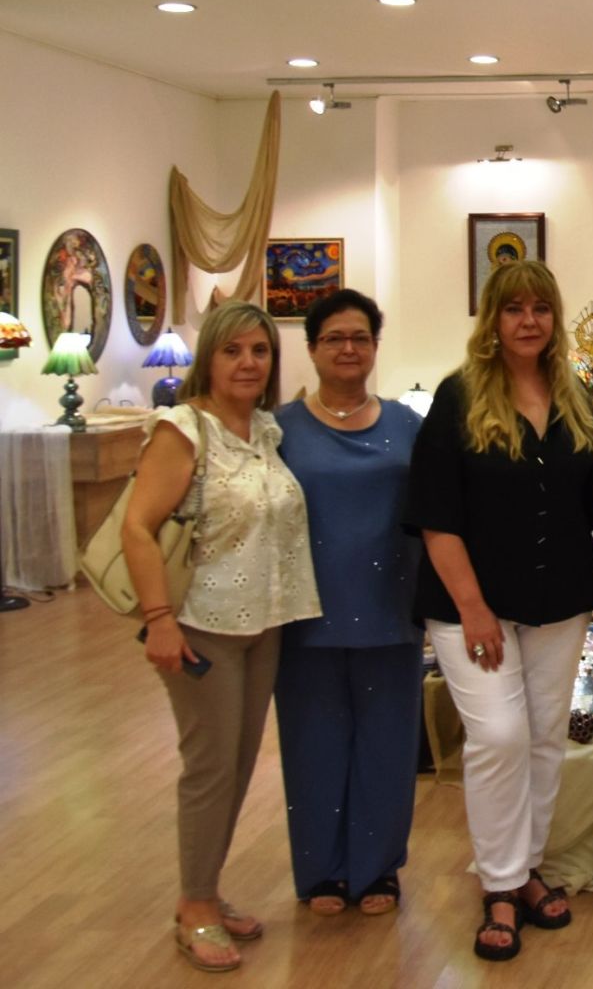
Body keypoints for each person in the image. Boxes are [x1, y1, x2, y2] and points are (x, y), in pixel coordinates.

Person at [405, 260, 593, 961]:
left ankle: (526, 869)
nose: (528, 320)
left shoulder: (575, 396)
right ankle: (498, 884)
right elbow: (436, 517)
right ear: (492, 317)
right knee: (498, 736)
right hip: (472, 605)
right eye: (514, 308)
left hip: (560, 599)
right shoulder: (458, 396)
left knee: (545, 736)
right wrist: (474, 608)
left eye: (540, 309)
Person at [120, 300, 320, 974]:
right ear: (209, 356)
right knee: (209, 768)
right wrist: (158, 620)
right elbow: (138, 527)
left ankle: (203, 890)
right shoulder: (183, 429)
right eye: (233, 350)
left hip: (263, 622)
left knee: (235, 767)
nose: (248, 363)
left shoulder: (265, 430)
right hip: (200, 626)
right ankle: (195, 906)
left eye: (259, 351)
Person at [274, 289, 426, 916]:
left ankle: (378, 869)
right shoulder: (278, 429)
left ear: (374, 347)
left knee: (388, 745)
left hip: (392, 606)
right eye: (334, 338)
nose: (348, 348)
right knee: (312, 743)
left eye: (360, 337)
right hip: (304, 612)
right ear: (311, 348)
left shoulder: (408, 425)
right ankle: (322, 873)